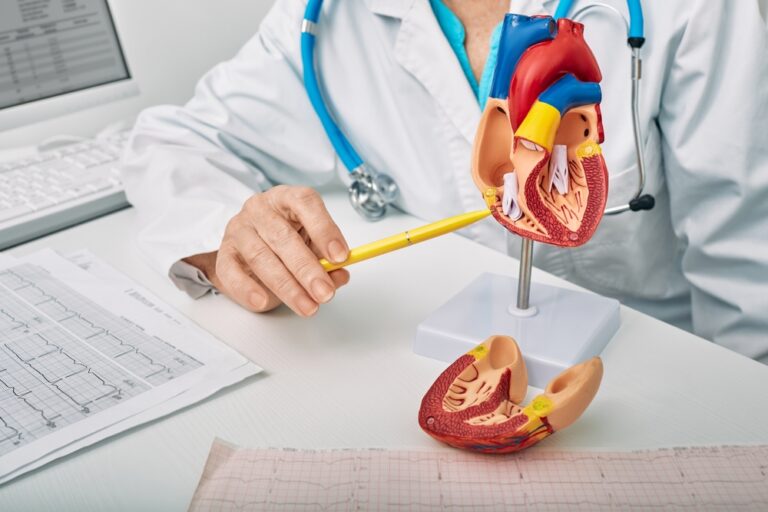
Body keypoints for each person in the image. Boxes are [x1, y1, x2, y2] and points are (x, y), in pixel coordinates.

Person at [121, 0, 768, 363]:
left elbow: (750, 268)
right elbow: (174, 141)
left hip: (657, 362)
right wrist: (231, 229)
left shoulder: (692, 10)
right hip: (434, 360)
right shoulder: (319, 19)